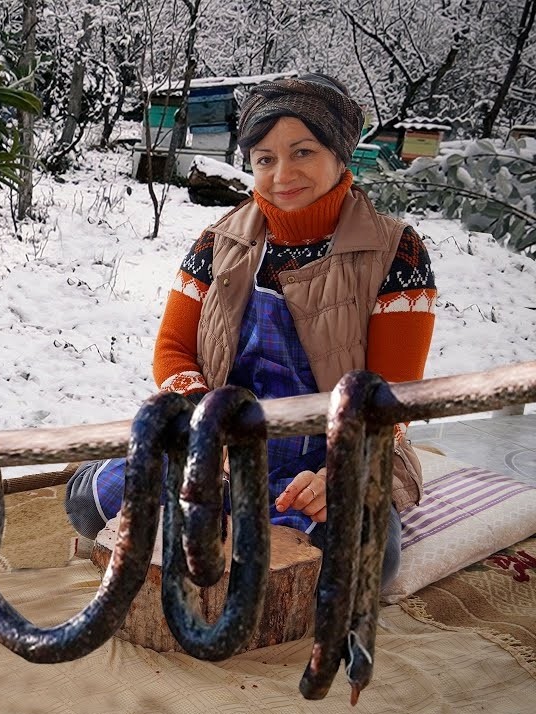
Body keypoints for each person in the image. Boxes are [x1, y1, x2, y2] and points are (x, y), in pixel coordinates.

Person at [66, 73, 436, 590]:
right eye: (264, 158)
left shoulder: (396, 251)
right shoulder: (218, 242)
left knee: (362, 563)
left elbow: (394, 397)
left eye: (303, 151)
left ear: (339, 154)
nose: (283, 173)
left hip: (327, 453)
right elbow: (173, 351)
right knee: (88, 505)